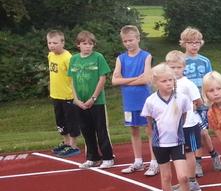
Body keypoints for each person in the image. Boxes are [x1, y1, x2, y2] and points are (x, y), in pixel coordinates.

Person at [140, 63, 202, 191]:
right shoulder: (151, 101)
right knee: (166, 177)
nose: (168, 83)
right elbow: (149, 125)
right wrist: (154, 142)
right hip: (160, 145)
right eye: (164, 81)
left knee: (183, 177)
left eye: (170, 80)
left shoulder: (182, 98)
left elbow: (183, 117)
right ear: (156, 83)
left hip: (177, 142)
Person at [180, 27, 221, 176]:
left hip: (202, 102)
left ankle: (203, 159)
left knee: (202, 132)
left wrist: (210, 99)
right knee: (200, 132)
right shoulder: (181, 61)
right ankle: (210, 156)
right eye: (190, 42)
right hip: (187, 104)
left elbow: (210, 81)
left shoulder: (205, 61)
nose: (194, 45)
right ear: (184, 43)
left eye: (197, 42)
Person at [111, 25, 155, 175]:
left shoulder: (146, 56)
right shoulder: (121, 58)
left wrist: (124, 80)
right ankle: (138, 161)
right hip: (129, 101)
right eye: (125, 41)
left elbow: (147, 79)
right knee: (133, 130)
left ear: (138, 39)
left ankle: (154, 162)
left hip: (144, 99)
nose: (128, 43)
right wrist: (136, 78)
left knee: (150, 130)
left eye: (131, 40)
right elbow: (114, 80)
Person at [68, 31, 115, 169]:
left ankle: (108, 157)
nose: (87, 46)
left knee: (101, 130)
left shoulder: (98, 57)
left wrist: (93, 97)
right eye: (84, 43)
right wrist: (75, 99)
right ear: (78, 45)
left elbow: (102, 78)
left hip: (97, 101)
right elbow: (72, 80)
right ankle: (92, 157)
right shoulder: (74, 59)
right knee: (86, 130)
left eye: (90, 44)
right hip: (80, 102)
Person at [166, 50, 203, 191]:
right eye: (172, 67)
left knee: (188, 153)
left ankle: (192, 182)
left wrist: (191, 107)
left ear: (184, 67)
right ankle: (185, 181)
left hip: (188, 125)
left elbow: (198, 101)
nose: (175, 70)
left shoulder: (187, 84)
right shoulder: (168, 84)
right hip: (175, 125)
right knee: (179, 154)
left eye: (178, 67)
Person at [46, 30, 81, 157]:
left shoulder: (68, 58)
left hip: (68, 95)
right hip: (56, 94)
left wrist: (75, 95)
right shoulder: (50, 55)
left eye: (55, 43)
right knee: (60, 121)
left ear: (62, 43)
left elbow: (75, 77)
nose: (52, 45)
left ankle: (73, 145)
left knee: (71, 120)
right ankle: (66, 142)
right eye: (49, 43)